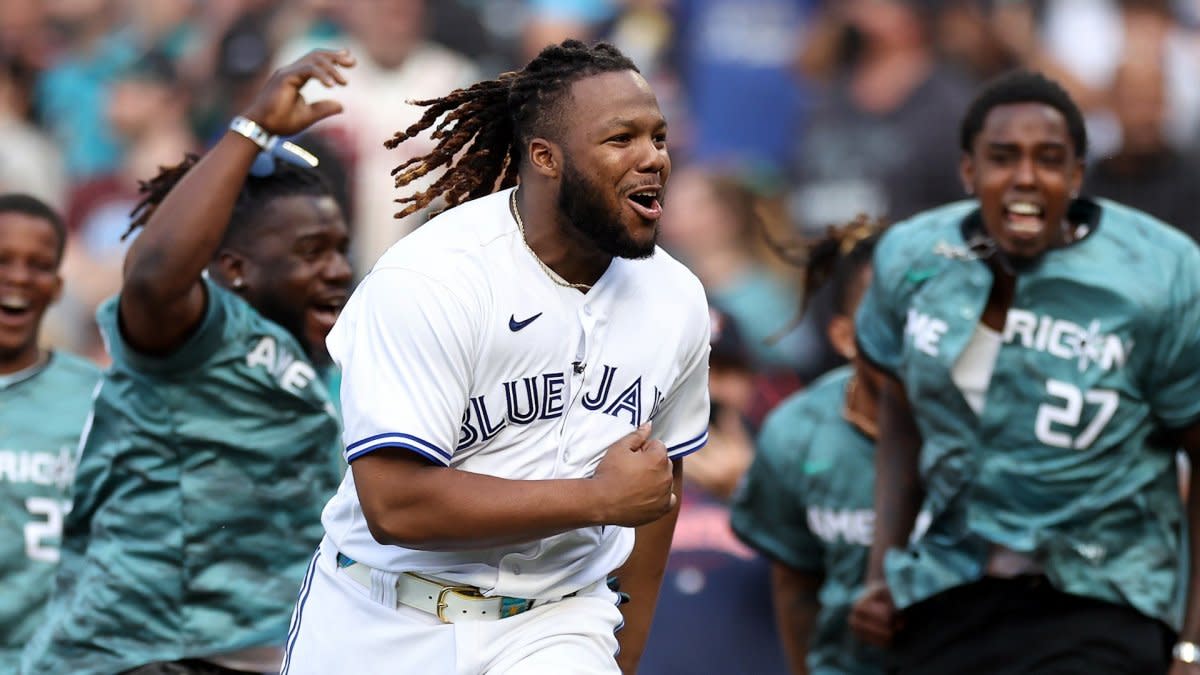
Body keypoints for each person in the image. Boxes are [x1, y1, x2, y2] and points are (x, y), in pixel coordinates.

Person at [283, 39, 711, 675]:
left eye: (659, 136)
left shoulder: (676, 298)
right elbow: (394, 504)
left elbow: (654, 489)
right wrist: (594, 498)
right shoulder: (434, 278)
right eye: (622, 139)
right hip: (382, 618)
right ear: (545, 158)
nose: (653, 158)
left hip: (556, 624)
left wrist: (626, 657)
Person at [848, 69, 1200, 674]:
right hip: (950, 585)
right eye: (1003, 158)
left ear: (1079, 174)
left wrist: (1192, 644)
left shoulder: (1164, 274)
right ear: (968, 171)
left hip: (1102, 592)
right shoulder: (912, 258)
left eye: (1049, 159)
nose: (1026, 178)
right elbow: (899, 414)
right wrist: (883, 571)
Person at [22, 50, 355, 675]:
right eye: (311, 252)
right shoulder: (196, 336)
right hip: (139, 656)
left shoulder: (338, 369)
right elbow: (151, 278)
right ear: (234, 269)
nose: (337, 269)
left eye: (339, 249)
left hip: (265, 656)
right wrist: (250, 129)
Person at [731, 217, 895, 674]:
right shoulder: (795, 432)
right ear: (844, 337)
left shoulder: (978, 422)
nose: (907, 335)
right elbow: (795, 587)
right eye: (885, 318)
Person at [0, 194, 100, 673]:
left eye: (38, 265)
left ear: (58, 286)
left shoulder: (98, 402)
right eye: (2, 260)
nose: (18, 277)